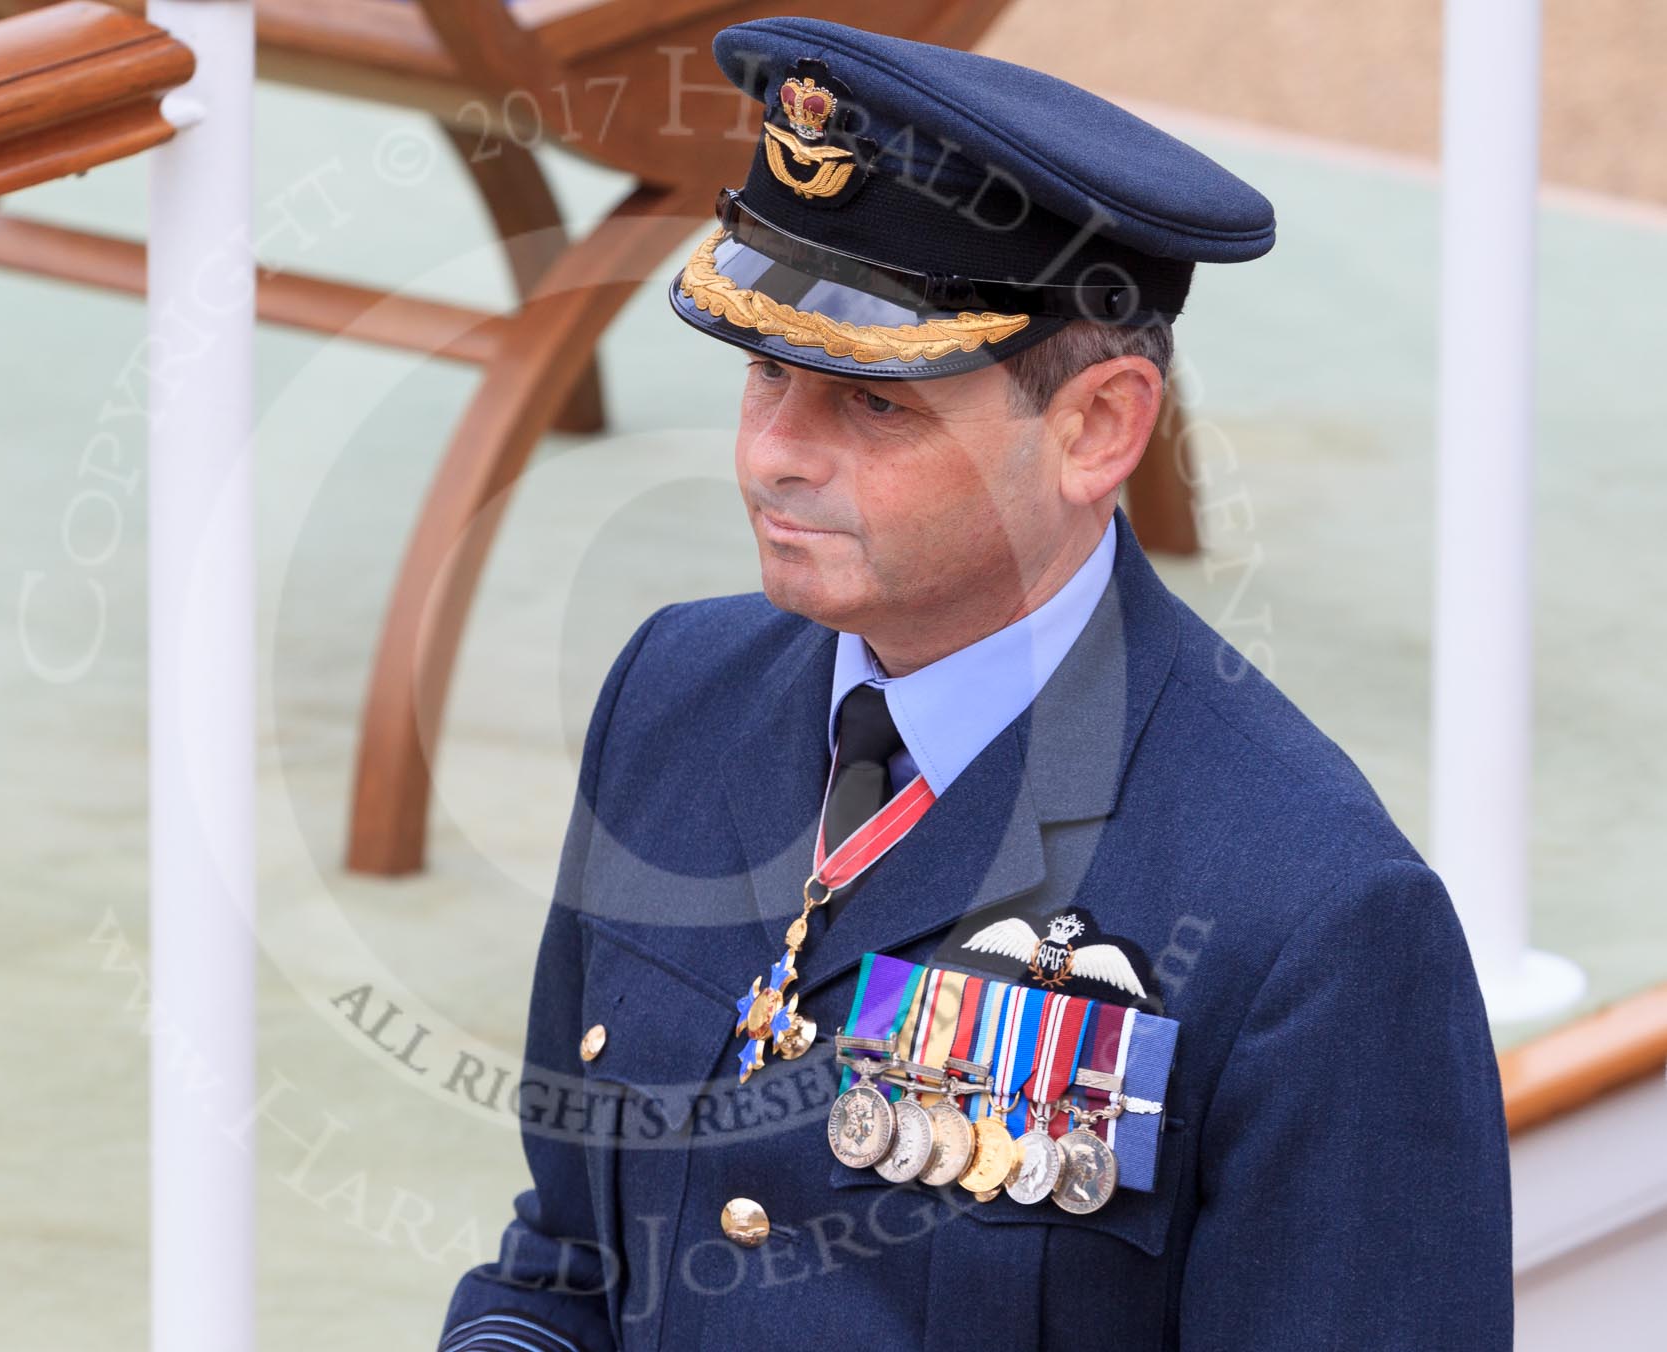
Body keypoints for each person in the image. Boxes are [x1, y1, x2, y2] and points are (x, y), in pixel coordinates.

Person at [438, 17, 1511, 1351]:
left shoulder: (1309, 914)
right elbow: (565, 1268)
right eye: (767, 369)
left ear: (1097, 429)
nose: (773, 453)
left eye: (873, 404)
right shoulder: (674, 692)